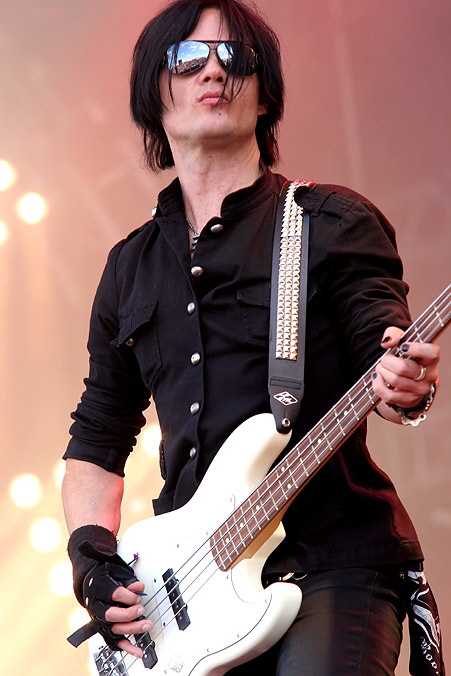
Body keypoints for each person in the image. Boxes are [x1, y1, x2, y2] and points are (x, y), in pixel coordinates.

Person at [61, 1, 445, 674]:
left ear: (265, 97)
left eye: (235, 58)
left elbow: (383, 341)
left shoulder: (328, 222)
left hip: (334, 559)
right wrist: (91, 558)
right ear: (153, 90)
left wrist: (405, 383)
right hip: (191, 590)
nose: (214, 70)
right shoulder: (129, 268)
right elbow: (98, 434)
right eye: (188, 57)